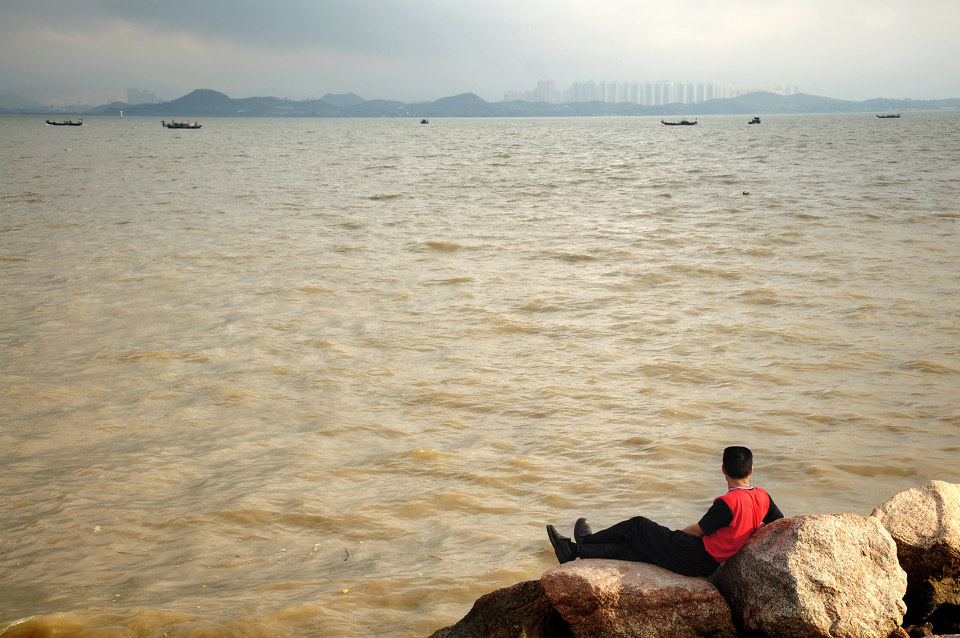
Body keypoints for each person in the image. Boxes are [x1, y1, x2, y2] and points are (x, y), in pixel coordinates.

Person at [546, 446, 783, 577]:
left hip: (695, 556)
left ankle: (586, 540)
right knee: (640, 549)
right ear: (751, 470)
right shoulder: (763, 496)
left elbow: (697, 530)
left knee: (638, 526)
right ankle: (576, 550)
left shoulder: (728, 503)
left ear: (723, 469)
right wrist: (750, 529)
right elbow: (779, 523)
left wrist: (672, 537)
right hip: (707, 564)